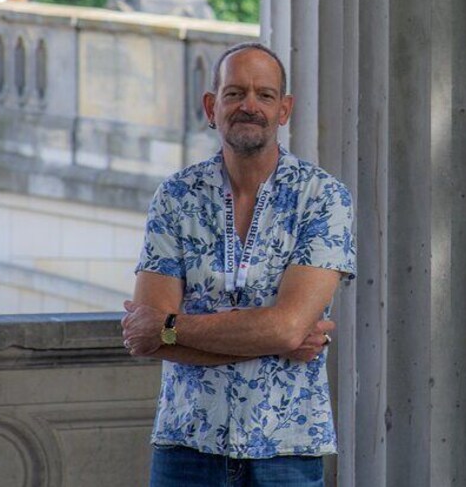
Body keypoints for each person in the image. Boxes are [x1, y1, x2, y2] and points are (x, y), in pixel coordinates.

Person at [121, 42, 356, 487]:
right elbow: (147, 339)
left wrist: (170, 327)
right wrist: (275, 338)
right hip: (187, 445)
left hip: (285, 449)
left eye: (264, 95)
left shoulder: (323, 198)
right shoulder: (176, 196)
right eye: (235, 93)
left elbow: (285, 327)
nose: (249, 105)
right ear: (212, 106)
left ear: (284, 110)